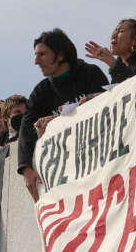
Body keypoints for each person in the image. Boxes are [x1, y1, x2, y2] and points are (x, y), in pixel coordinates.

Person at [17, 29, 108, 201]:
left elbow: (107, 105)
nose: (36, 61)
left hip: (98, 163)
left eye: (42, 54)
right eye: (36, 55)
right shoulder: (41, 91)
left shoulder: (90, 73)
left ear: (60, 55)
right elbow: (26, 129)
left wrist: (59, 118)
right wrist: (26, 168)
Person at [85, 18, 136, 83]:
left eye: (121, 31)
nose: (113, 35)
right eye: (115, 30)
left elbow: (135, 86)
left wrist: (111, 62)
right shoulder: (120, 68)